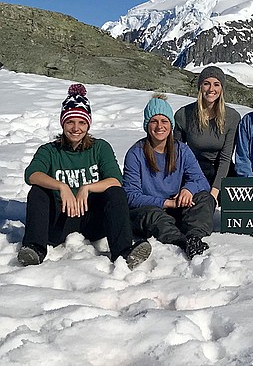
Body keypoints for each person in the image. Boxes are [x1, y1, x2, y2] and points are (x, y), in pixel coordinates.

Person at [18, 84, 151, 268]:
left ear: (88, 124)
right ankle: (35, 249)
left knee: (115, 192)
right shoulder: (50, 151)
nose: (75, 128)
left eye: (81, 122)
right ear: (62, 123)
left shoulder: (99, 148)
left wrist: (86, 188)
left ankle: (122, 252)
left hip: (93, 221)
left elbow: (115, 180)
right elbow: (31, 174)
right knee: (38, 192)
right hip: (59, 222)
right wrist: (61, 186)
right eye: (70, 122)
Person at [123, 94, 214, 259]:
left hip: (176, 207)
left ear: (170, 125)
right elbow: (131, 196)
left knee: (204, 198)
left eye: (164, 121)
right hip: (151, 210)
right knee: (153, 216)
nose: (159, 126)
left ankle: (194, 236)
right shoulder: (135, 153)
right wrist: (165, 203)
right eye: (154, 121)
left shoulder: (182, 150)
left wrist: (188, 189)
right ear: (147, 125)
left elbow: (201, 181)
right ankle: (181, 241)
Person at [175, 66, 241, 204]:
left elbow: (226, 157)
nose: (211, 89)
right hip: (194, 168)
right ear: (200, 87)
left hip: (222, 169)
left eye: (216, 84)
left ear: (222, 89)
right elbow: (177, 153)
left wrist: (215, 191)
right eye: (206, 83)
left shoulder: (232, 117)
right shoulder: (184, 115)